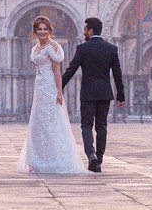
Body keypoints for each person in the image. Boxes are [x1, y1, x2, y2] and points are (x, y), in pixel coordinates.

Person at [17, 16, 88, 174]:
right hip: (39, 86)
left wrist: (59, 91)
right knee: (39, 121)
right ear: (35, 31)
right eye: (39, 29)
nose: (42, 32)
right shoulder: (35, 48)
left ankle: (56, 159)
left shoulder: (53, 46)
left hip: (49, 86)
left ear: (49, 30)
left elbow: (57, 71)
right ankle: (40, 158)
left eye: (45, 29)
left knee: (52, 121)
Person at [61, 16, 125, 173]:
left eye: (84, 29)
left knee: (87, 125)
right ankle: (99, 159)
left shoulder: (83, 48)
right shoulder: (111, 49)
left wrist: (59, 86)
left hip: (88, 93)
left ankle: (91, 155)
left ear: (90, 31)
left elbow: (71, 69)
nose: (83, 32)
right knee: (102, 126)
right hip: (105, 93)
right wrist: (120, 95)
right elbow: (117, 73)